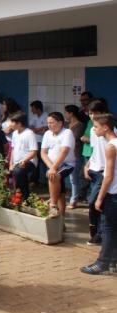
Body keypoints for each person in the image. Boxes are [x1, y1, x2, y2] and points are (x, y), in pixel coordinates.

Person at [80, 113, 117, 275]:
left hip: (113, 194)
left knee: (108, 228)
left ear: (106, 127)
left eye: (96, 127)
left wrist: (100, 198)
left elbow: (108, 176)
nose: (93, 130)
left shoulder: (111, 146)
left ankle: (102, 263)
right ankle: (113, 262)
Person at [84, 101, 110, 245]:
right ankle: (97, 234)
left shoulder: (110, 131)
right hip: (94, 170)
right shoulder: (95, 130)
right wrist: (87, 165)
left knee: (96, 202)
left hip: (104, 173)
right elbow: (95, 151)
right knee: (95, 203)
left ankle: (100, 234)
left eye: (95, 113)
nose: (92, 116)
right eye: (90, 113)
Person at [41, 112, 75, 218]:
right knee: (60, 192)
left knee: (54, 176)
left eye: (52, 122)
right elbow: (43, 152)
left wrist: (54, 168)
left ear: (60, 123)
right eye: (48, 123)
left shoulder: (67, 132)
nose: (50, 125)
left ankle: (53, 205)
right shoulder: (47, 134)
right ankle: (61, 221)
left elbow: (64, 151)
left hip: (66, 164)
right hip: (52, 165)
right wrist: (52, 167)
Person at [65, 105, 87, 209]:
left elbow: (73, 139)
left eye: (66, 113)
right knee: (70, 178)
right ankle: (73, 197)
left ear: (71, 113)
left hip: (76, 154)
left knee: (74, 178)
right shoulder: (67, 124)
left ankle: (74, 200)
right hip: (67, 155)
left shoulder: (80, 125)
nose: (65, 115)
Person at [29, 100, 48, 183]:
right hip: (35, 142)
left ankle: (43, 181)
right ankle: (35, 180)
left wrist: (36, 130)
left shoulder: (46, 116)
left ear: (38, 109)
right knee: (35, 161)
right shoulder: (34, 117)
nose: (31, 110)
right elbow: (31, 128)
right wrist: (40, 129)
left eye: (33, 108)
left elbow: (46, 129)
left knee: (43, 162)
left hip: (43, 142)